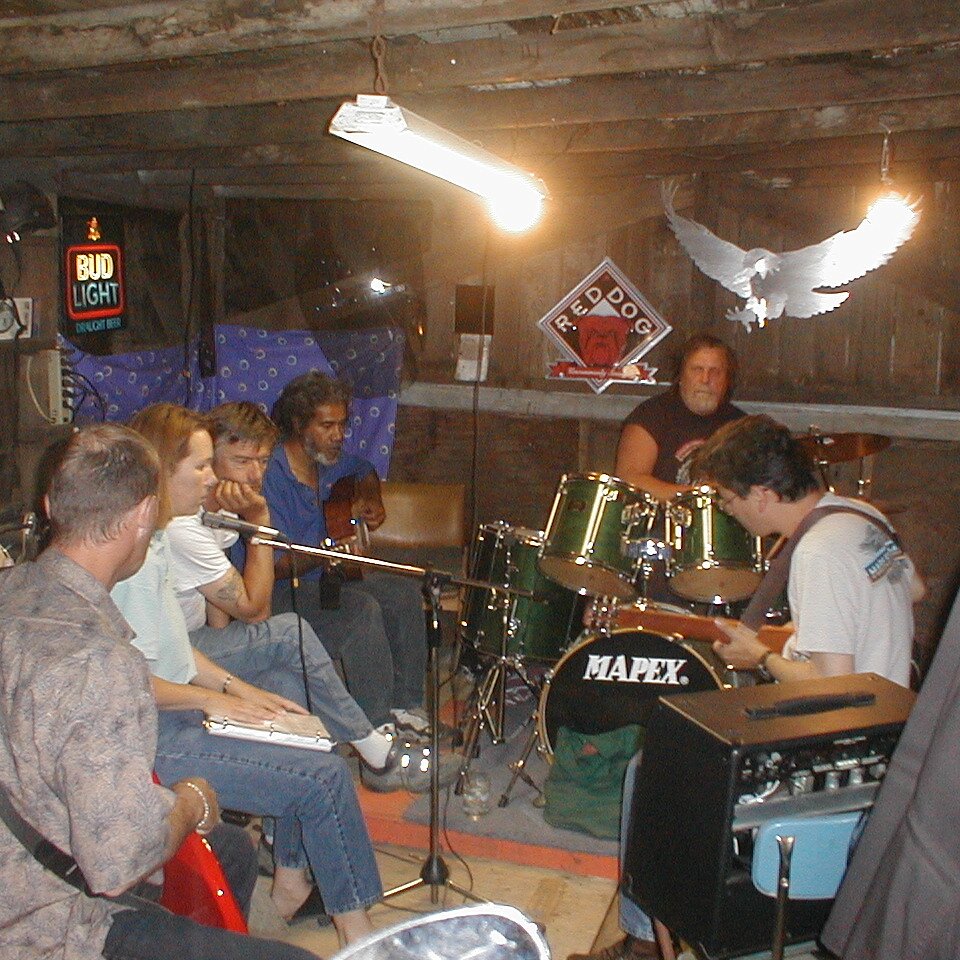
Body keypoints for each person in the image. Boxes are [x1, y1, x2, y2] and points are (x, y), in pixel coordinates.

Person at [572, 415, 922, 960]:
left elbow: (834, 684)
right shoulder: (861, 516)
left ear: (761, 494)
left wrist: (758, 654)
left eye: (730, 501)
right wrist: (799, 643)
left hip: (838, 745)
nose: (729, 512)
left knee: (652, 769)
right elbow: (913, 590)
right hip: (889, 733)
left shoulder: (819, 550)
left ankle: (644, 940)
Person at [0, 423, 316, 960]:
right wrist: (190, 800)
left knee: (233, 852)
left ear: (52, 503)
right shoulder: (99, 664)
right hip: (47, 920)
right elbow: (121, 863)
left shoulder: (13, 590)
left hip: (29, 847)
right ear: (145, 514)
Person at [118, 404, 402, 943]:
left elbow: (177, 651)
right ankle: (359, 937)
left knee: (306, 728)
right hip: (152, 741)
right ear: (158, 469)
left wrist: (243, 692)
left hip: (176, 713)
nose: (212, 478)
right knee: (324, 774)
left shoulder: (152, 544)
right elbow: (130, 683)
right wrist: (215, 702)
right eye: (200, 467)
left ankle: (295, 888)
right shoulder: (137, 556)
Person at [153, 401, 442, 794]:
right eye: (239, 462)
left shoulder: (215, 513)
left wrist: (238, 652)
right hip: (174, 654)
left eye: (262, 461)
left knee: (286, 684)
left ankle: (290, 840)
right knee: (291, 632)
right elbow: (259, 614)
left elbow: (217, 611)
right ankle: (375, 749)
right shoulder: (183, 528)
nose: (255, 475)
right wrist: (261, 525)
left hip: (198, 641)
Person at [264, 373, 431, 738]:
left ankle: (406, 708)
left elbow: (364, 469)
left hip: (325, 578)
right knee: (361, 610)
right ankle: (375, 728)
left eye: (342, 424)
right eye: (327, 425)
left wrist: (372, 496)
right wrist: (328, 553)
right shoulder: (270, 474)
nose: (338, 435)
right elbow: (275, 566)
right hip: (280, 590)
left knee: (404, 593)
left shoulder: (326, 461)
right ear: (298, 423)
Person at [615, 333, 744, 501]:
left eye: (715, 372)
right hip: (659, 524)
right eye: (697, 370)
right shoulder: (650, 416)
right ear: (680, 377)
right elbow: (630, 480)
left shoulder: (742, 427)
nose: (705, 379)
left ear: (727, 380)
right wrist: (698, 499)